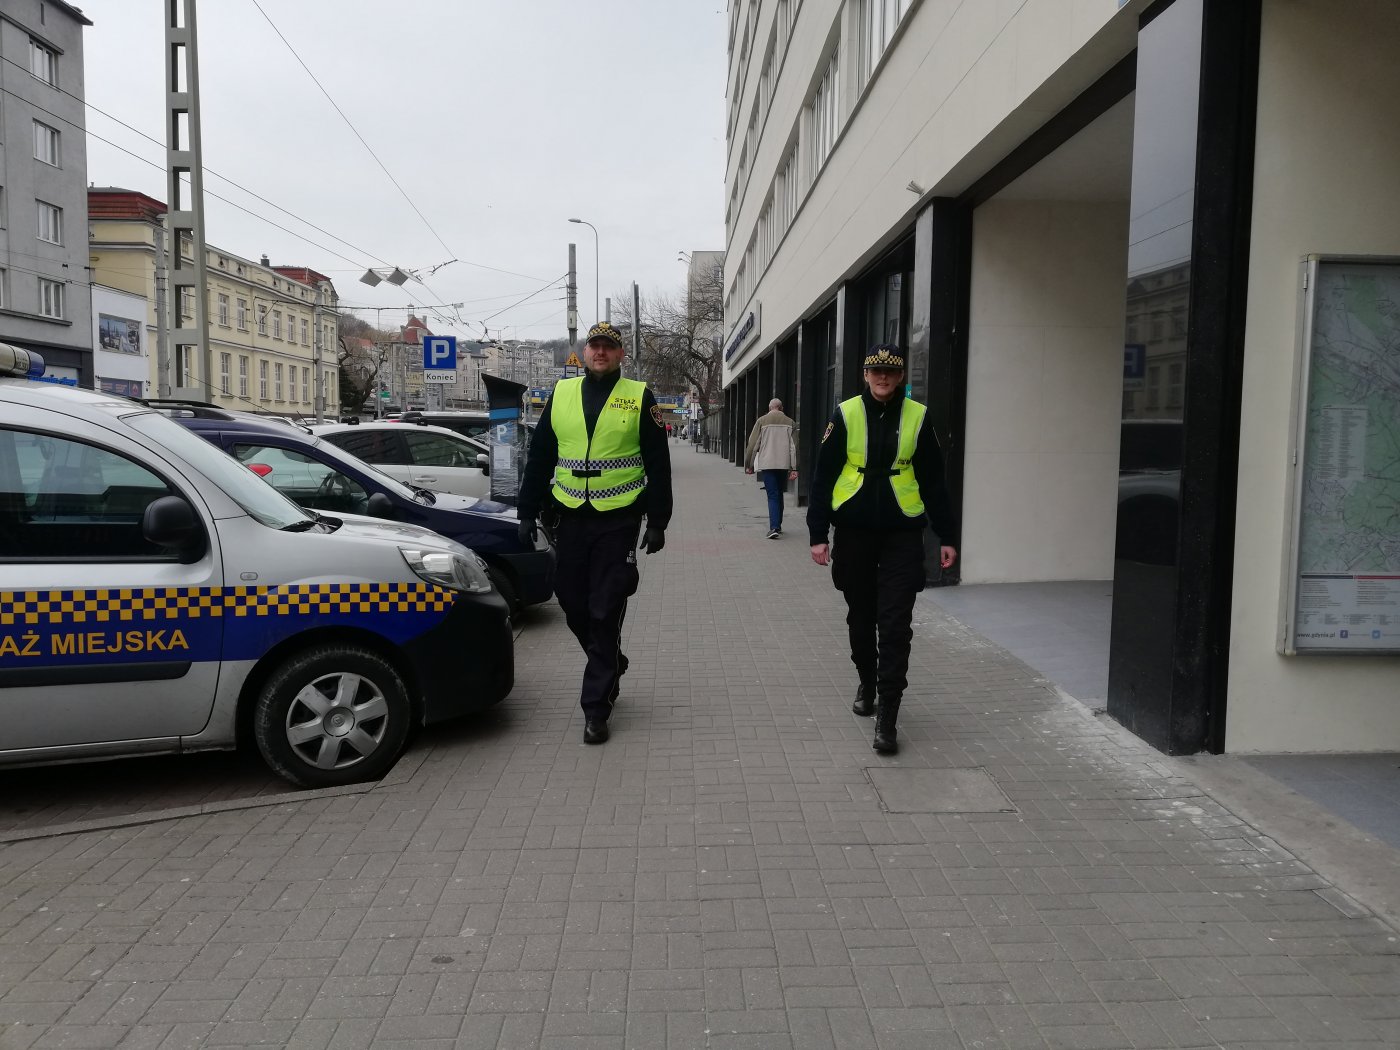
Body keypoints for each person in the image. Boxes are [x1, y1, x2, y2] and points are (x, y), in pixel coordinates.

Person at [518, 322, 673, 744]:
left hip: (619, 517)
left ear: (621, 354)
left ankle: (596, 707)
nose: (601, 352)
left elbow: (658, 462)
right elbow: (541, 456)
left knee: (605, 608)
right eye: (595, 346)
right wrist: (527, 511)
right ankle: (611, 661)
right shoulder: (561, 394)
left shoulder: (639, 396)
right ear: (585, 353)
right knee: (570, 602)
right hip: (570, 515)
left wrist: (658, 521)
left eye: (609, 347)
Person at [807, 345, 959, 755]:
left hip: (902, 533)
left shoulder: (918, 416)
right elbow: (822, 476)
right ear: (865, 374)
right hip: (854, 531)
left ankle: (888, 713)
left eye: (890, 373)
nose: (883, 378)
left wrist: (947, 536)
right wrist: (817, 533)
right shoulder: (845, 414)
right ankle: (868, 682)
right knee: (861, 615)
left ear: (901, 376)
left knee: (895, 624)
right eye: (875, 371)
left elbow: (934, 482)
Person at [744, 398, 798, 539]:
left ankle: (774, 527)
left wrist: (748, 465)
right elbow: (794, 448)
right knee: (779, 493)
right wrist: (794, 468)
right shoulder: (790, 422)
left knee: (772, 495)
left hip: (767, 464)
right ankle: (778, 525)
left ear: (769, 409)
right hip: (783, 464)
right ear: (781, 408)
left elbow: (752, 444)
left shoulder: (761, 421)